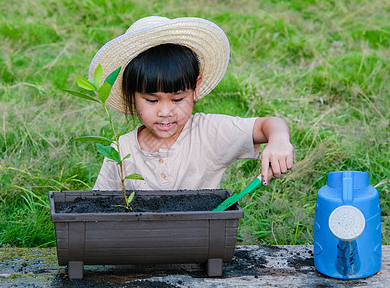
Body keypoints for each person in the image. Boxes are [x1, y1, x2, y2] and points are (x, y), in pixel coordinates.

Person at [89, 16, 293, 191]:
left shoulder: (208, 133)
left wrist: (279, 140)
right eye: (152, 100)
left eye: (177, 99)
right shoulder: (121, 150)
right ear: (131, 96)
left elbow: (267, 125)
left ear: (195, 88)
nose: (166, 111)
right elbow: (98, 209)